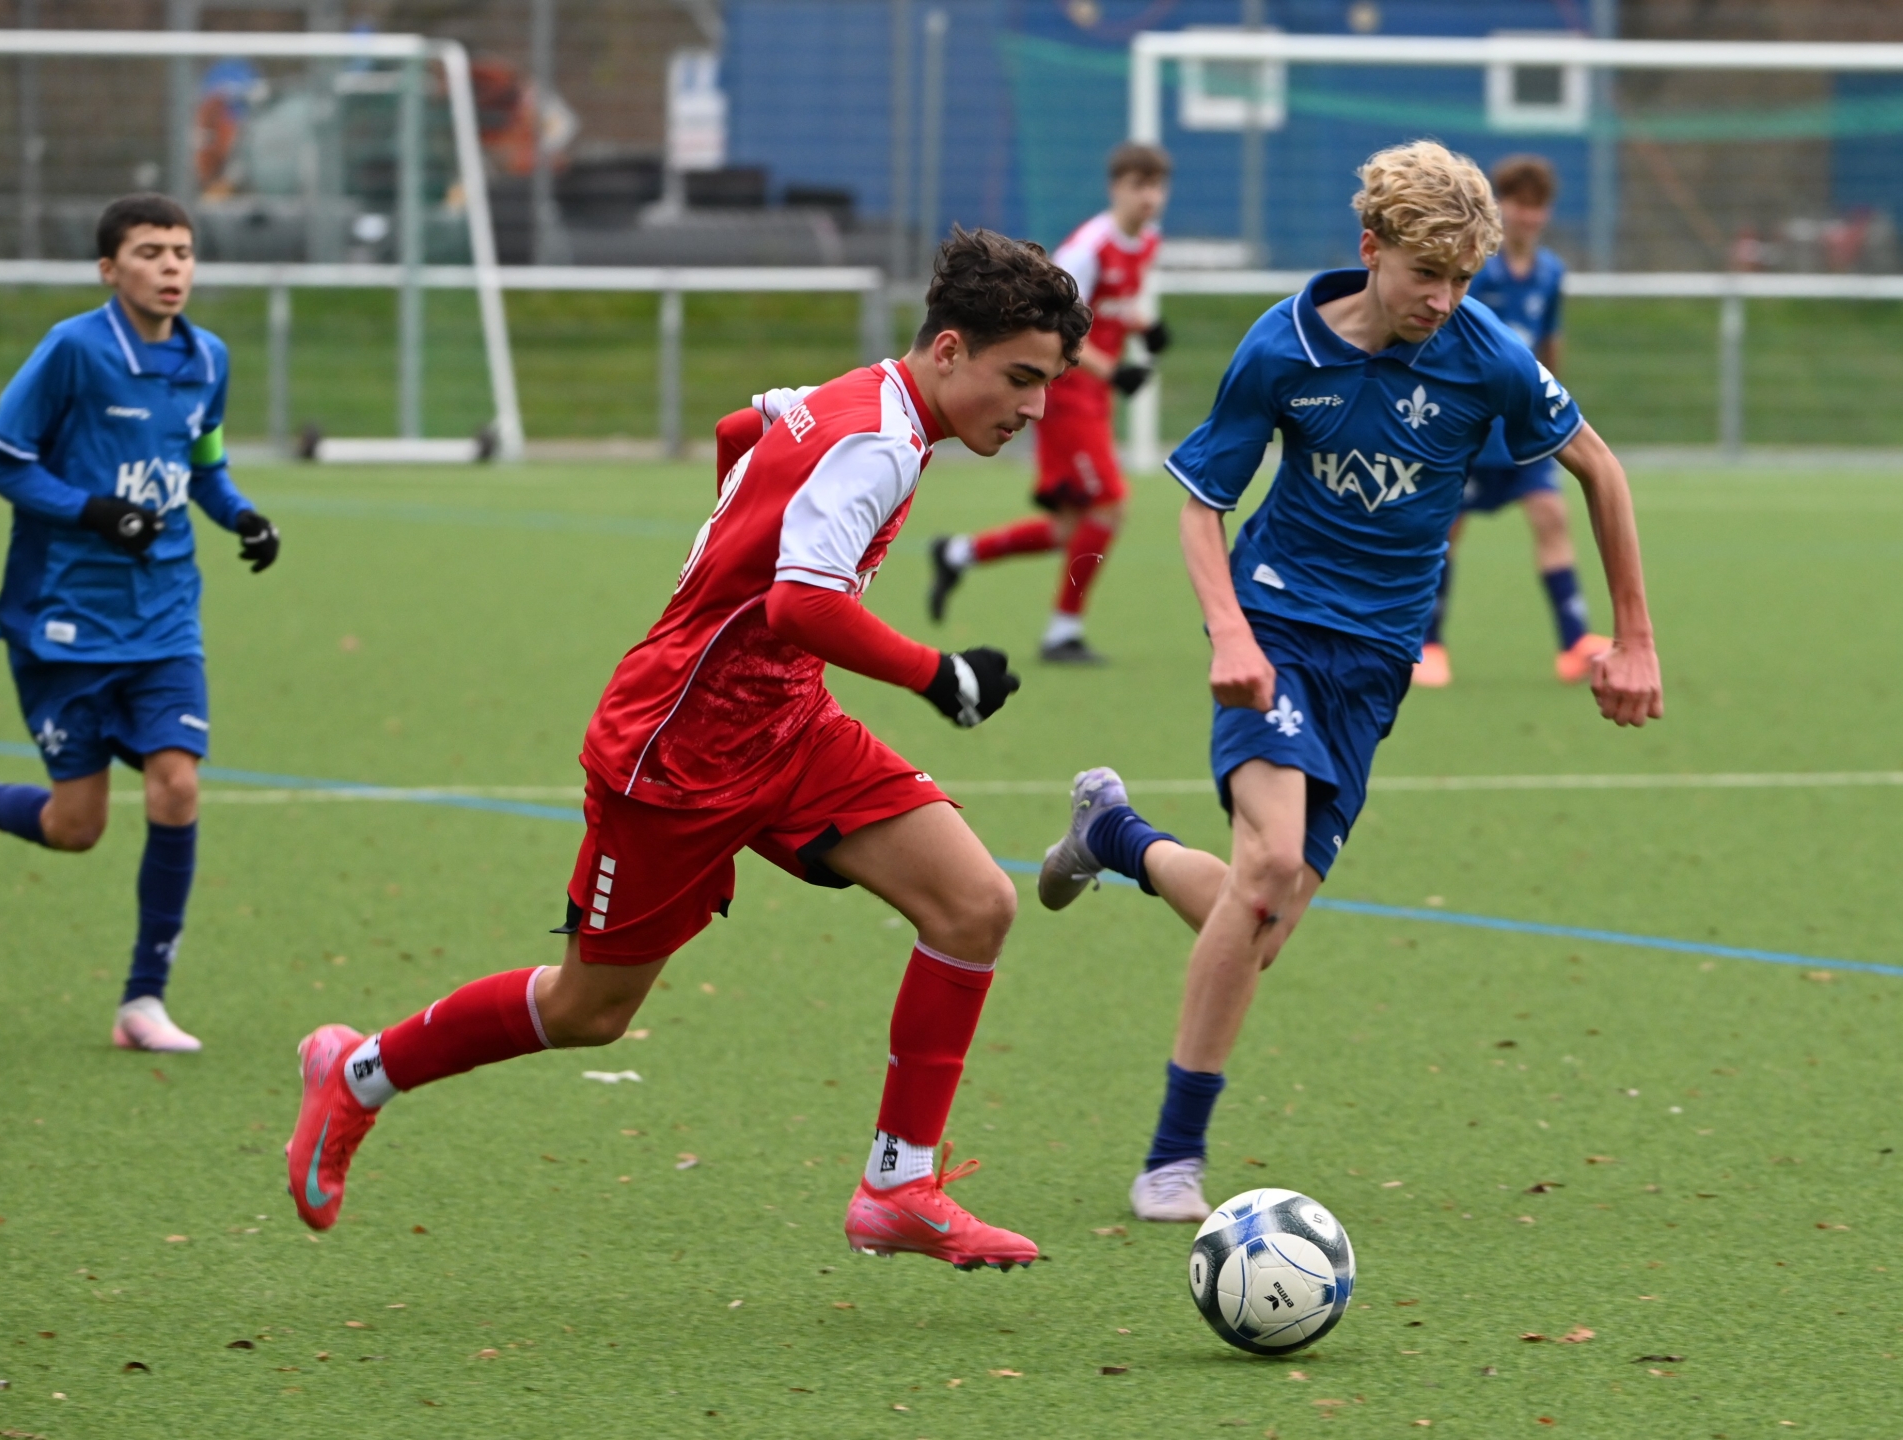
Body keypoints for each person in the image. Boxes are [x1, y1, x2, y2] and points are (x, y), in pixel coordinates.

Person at [284, 227, 1092, 1271]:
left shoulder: (860, 398)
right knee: (588, 1010)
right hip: (678, 749)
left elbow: (738, 428)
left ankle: (898, 1186)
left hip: (788, 726)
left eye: (1047, 385)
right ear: (948, 350)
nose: (1035, 409)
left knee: (974, 904)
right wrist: (939, 674)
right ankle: (357, 1074)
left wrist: (735, 539)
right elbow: (801, 605)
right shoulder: (882, 443)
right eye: (1020, 379)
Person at [1032, 142, 1663, 1223]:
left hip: (1376, 665)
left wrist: (1634, 638)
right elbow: (1202, 505)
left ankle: (1116, 835)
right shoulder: (1281, 347)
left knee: (1261, 927)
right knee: (1270, 862)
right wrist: (1230, 634)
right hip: (1275, 628)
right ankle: (1172, 1160)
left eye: (1462, 279)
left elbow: (1598, 467)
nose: (1444, 300)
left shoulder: (1486, 354)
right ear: (1371, 247)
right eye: (1427, 274)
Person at [0, 193, 280, 1054]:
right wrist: (93, 511)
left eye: (181, 251)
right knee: (75, 828)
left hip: (164, 616)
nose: (171, 267)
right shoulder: (73, 350)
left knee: (176, 784)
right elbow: (1, 459)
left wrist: (241, 515)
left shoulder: (207, 358)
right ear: (110, 269)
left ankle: (143, 1000)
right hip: (63, 617)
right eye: (150, 252)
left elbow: (203, 464)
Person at [927, 142, 1171, 665]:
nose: (1149, 197)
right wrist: (1114, 369)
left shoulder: (1147, 242)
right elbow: (1055, 330)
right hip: (1065, 393)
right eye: (1138, 185)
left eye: (1156, 186)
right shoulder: (1088, 247)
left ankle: (957, 553)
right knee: (1109, 506)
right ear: (1116, 188)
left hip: (1093, 395)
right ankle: (1063, 633)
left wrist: (1145, 328)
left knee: (1070, 528)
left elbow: (1112, 306)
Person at [1414, 153, 1609, 688]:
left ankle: (1574, 642)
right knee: (1446, 531)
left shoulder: (1551, 273)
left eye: (1538, 206)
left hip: (1521, 424)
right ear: (1501, 207)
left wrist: (1550, 403)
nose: (1528, 216)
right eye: (1519, 204)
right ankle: (1428, 644)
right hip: (1471, 429)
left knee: (1551, 515)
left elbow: (1550, 341)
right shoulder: (1475, 268)